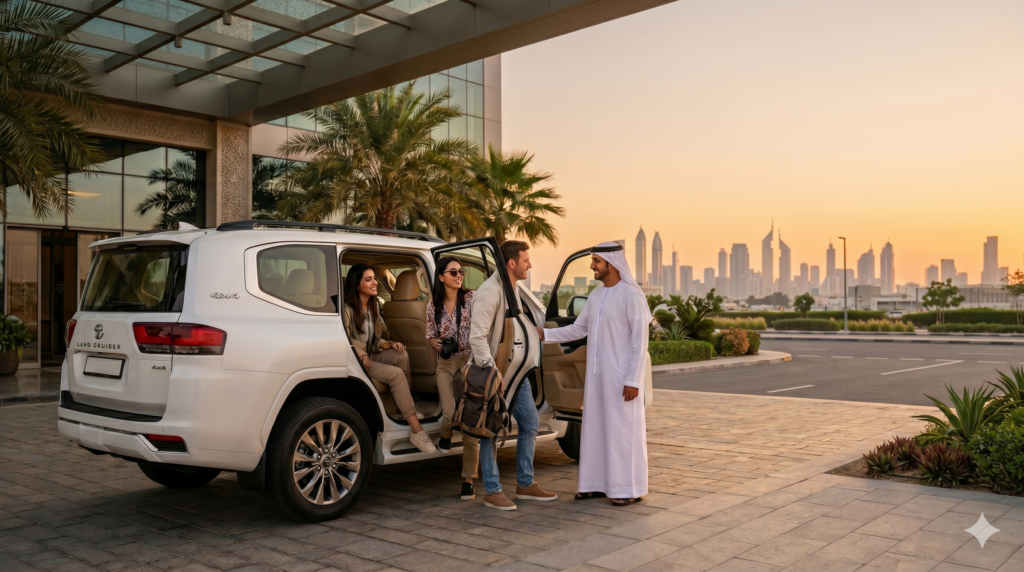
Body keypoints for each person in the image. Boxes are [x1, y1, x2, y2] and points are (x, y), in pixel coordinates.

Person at [539, 242, 651, 506]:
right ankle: (595, 484)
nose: (592, 266)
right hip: (597, 379)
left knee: (622, 433)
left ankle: (628, 489)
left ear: (611, 263)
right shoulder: (596, 296)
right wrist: (546, 334)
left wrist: (633, 380)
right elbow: (578, 330)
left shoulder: (631, 296)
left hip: (623, 379)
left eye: (596, 261)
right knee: (596, 430)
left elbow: (640, 342)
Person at [469, 240, 558, 511]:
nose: (530, 264)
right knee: (490, 431)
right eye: (526, 260)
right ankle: (492, 491)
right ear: (511, 263)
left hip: (517, 375)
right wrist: (492, 372)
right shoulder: (490, 292)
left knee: (530, 423)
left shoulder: (513, 289)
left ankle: (525, 484)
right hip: (495, 375)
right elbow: (477, 337)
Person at [343, 264, 436, 454]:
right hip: (355, 359)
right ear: (356, 284)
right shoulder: (347, 309)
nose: (374, 282)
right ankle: (416, 431)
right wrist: (360, 352)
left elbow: (374, 340)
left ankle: (407, 404)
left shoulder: (373, 304)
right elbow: (343, 337)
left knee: (401, 355)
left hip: (370, 353)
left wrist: (389, 344)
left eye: (374, 278)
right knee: (395, 374)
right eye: (368, 279)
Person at [426, 257, 481, 500]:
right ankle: (446, 434)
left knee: (470, 424)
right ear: (441, 277)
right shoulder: (432, 306)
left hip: (468, 365)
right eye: (453, 272)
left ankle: (468, 479)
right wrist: (433, 342)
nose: (459, 275)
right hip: (445, 364)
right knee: (448, 413)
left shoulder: (471, 299)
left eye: (461, 271)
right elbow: (430, 334)